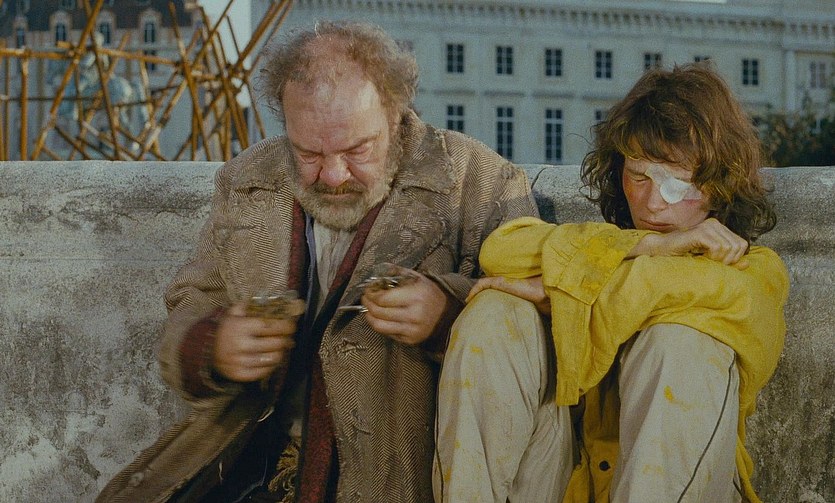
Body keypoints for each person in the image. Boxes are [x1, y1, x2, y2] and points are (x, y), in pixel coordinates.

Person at [98, 20, 537, 503]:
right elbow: (192, 304)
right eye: (308, 152)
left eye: (357, 149)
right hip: (245, 471)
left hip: (395, 478)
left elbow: (537, 331)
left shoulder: (479, 181)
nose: (332, 175)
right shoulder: (248, 178)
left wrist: (446, 317)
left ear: (395, 114)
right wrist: (215, 345)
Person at [433, 63, 789, 503]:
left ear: (719, 185)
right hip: (562, 477)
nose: (653, 203)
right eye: (639, 176)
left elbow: (674, 289)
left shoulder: (754, 271)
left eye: (678, 184)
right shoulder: (609, 244)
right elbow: (502, 250)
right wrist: (649, 246)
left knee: (678, 341)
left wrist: (558, 292)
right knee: (495, 314)